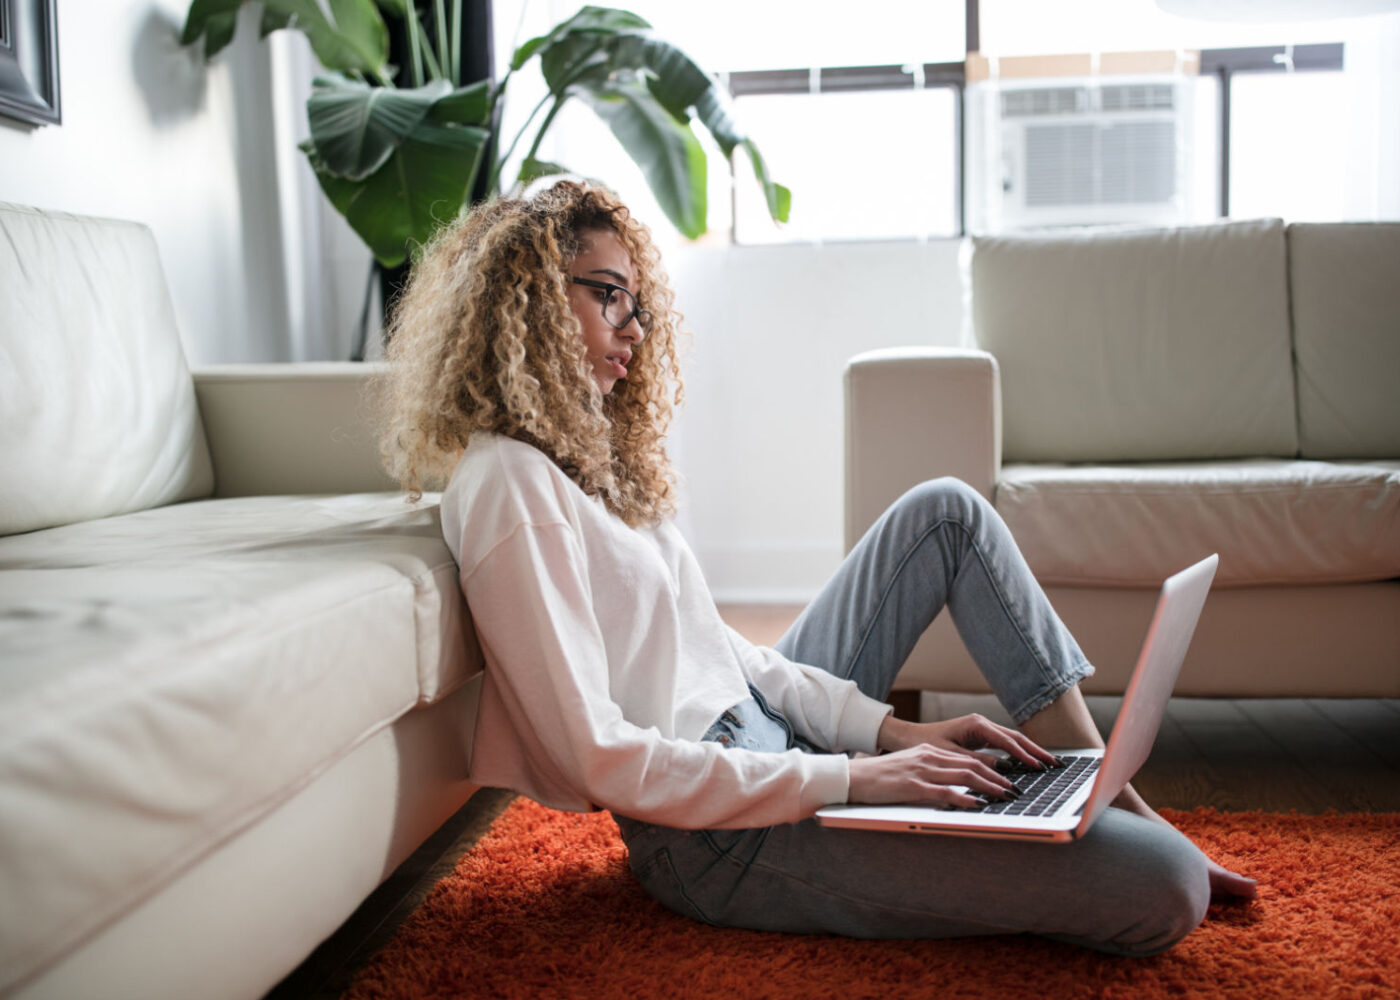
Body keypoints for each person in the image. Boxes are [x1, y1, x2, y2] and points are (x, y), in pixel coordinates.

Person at [376, 180, 1256, 957]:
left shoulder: (585, 459)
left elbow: (722, 653)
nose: (634, 330)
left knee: (945, 510)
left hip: (767, 740)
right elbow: (599, 757)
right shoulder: (508, 484)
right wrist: (852, 778)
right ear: (526, 298)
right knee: (1167, 887)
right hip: (715, 837)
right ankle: (1109, 825)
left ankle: (1099, 786)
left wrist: (887, 736)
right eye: (609, 297)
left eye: (637, 303)